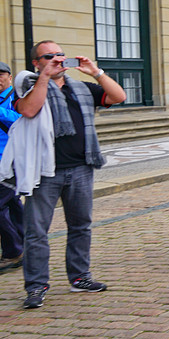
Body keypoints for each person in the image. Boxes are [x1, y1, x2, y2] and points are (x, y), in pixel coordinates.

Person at [8, 41, 126, 308]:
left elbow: (119, 97)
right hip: (44, 171)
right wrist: (45, 77)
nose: (57, 59)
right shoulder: (28, 84)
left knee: (81, 226)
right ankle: (36, 286)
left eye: (60, 55)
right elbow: (28, 109)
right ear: (36, 63)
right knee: (36, 231)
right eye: (49, 56)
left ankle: (80, 277)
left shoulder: (82, 88)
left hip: (81, 167)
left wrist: (96, 72)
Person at [0, 61, 24, 273]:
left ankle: (13, 252)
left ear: (9, 76)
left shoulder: (17, 96)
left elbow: (24, 119)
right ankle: (26, 246)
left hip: (12, 161)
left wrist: (0, 112)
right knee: (14, 205)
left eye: (1, 75)